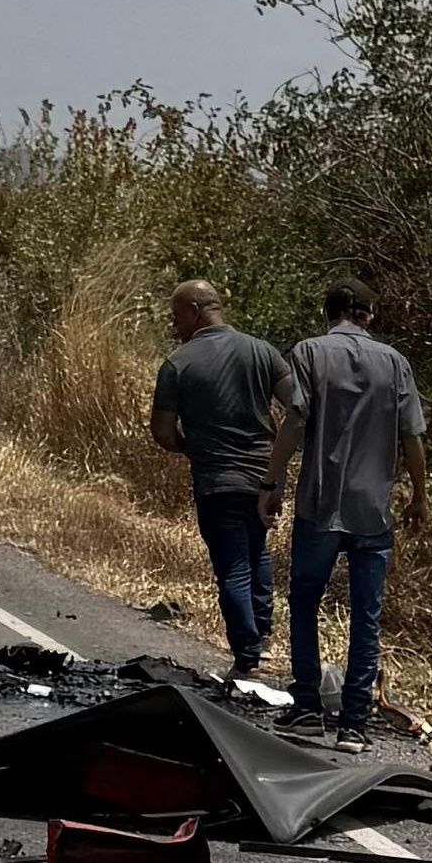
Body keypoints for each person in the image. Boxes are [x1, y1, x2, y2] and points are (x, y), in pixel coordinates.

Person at [259, 279, 428, 755]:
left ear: (327, 312)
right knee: (366, 616)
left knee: (305, 602)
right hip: (372, 510)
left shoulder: (309, 353)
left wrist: (272, 482)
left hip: (319, 503)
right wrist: (419, 494)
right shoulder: (395, 363)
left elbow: (295, 419)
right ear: (369, 316)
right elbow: (411, 435)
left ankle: (308, 707)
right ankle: (354, 722)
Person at [148, 279, 295, 683]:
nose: (173, 325)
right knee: (256, 550)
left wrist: (189, 448)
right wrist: (277, 459)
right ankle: (262, 635)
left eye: (176, 317)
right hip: (263, 476)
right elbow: (299, 408)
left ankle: (246, 655)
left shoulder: (179, 363)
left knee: (232, 567)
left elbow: (161, 431)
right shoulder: (262, 352)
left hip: (216, 479)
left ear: (196, 311)